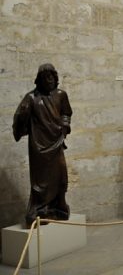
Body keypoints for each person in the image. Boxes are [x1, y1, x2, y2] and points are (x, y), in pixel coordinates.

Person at [13, 64, 73, 226]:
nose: (50, 81)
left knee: (61, 175)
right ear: (39, 80)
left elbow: (66, 112)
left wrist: (65, 125)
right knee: (41, 180)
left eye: (52, 77)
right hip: (39, 146)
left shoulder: (61, 95)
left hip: (57, 141)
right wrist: (22, 116)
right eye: (46, 78)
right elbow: (20, 120)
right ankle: (40, 208)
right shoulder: (31, 98)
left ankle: (59, 206)